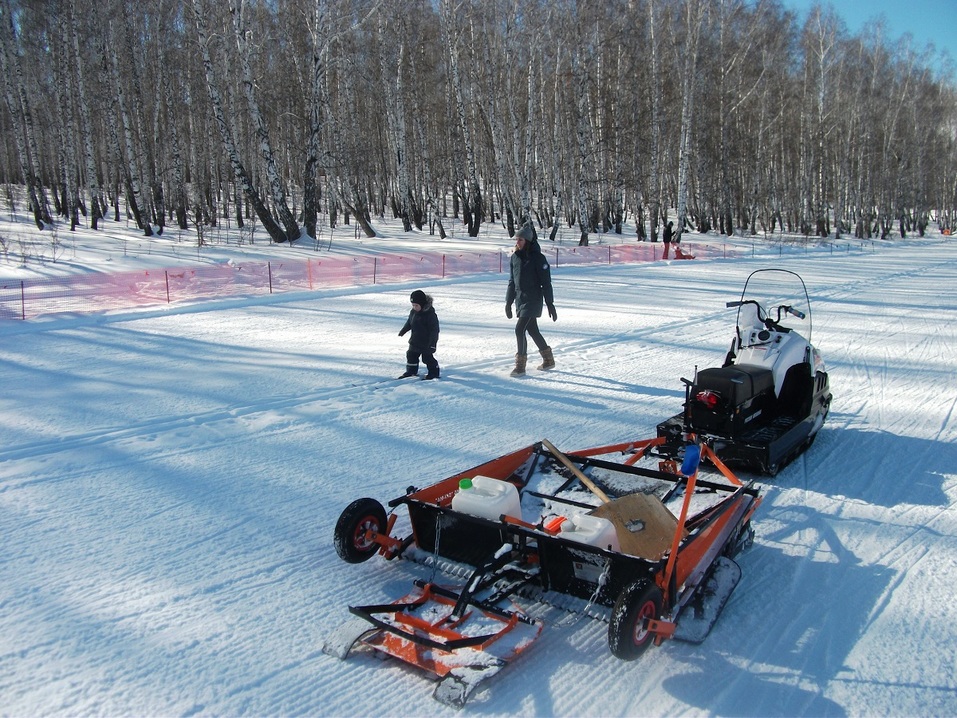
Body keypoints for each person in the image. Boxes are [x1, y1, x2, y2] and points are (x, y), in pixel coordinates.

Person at [505, 223, 556, 376]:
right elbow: (512, 281)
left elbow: (546, 282)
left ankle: (520, 366)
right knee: (532, 330)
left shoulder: (538, 258)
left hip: (533, 299)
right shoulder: (515, 257)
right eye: (516, 239)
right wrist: (508, 302)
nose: (517, 242)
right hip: (521, 299)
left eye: (520, 240)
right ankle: (548, 360)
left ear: (527, 241)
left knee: (519, 329)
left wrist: (550, 303)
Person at [398, 289, 440, 379]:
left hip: (427, 342)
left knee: (427, 358)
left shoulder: (430, 315)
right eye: (413, 305)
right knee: (411, 355)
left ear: (422, 304)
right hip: (415, 340)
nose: (414, 307)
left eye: (416, 305)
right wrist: (404, 330)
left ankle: (434, 372)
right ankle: (411, 371)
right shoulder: (413, 312)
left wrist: (432, 344)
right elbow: (410, 322)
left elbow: (434, 331)